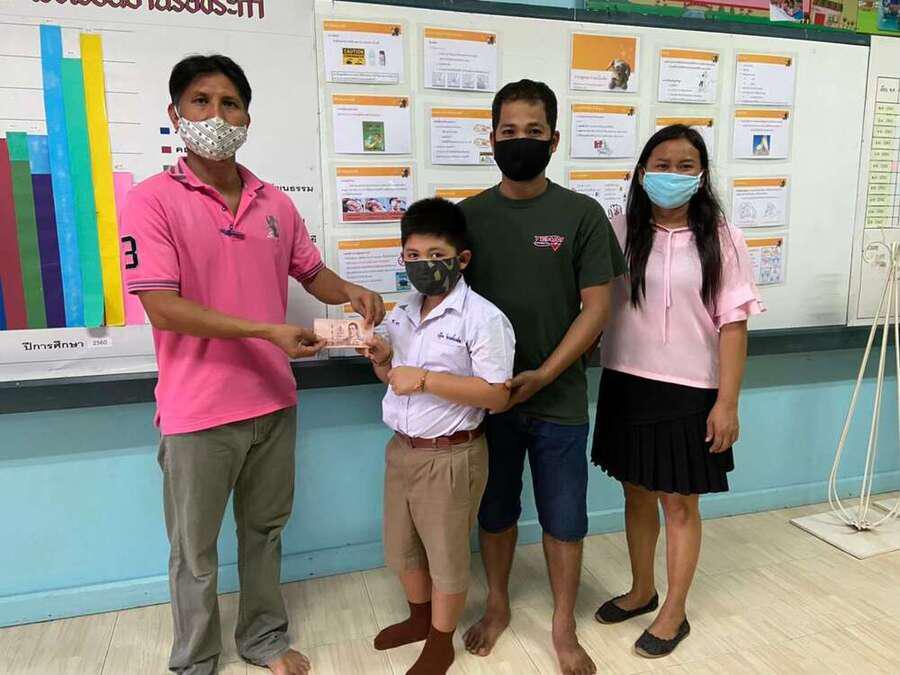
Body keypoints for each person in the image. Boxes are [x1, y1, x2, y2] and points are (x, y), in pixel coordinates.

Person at [121, 54, 384, 675]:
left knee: (265, 532)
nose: (216, 115)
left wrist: (351, 291)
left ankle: (263, 639)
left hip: (273, 402)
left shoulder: (275, 204)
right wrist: (266, 330)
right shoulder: (151, 201)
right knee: (194, 551)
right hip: (197, 412)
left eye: (230, 103)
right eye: (201, 101)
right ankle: (195, 659)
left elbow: (311, 273)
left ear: (247, 117)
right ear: (175, 114)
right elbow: (162, 307)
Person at [460, 79, 625, 675]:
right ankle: (497, 606)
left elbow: (598, 308)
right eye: (509, 131)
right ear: (491, 138)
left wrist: (544, 374)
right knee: (495, 511)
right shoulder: (467, 218)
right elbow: (443, 306)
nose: (520, 141)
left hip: (559, 399)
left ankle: (562, 626)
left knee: (564, 517)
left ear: (554, 140)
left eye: (534, 131)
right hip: (488, 402)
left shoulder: (581, 215)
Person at [591, 125, 763, 658]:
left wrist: (727, 403)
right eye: (661, 164)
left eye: (685, 165)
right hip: (626, 380)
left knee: (680, 504)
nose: (672, 174)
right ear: (642, 172)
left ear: (702, 174)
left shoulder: (723, 238)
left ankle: (675, 610)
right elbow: (592, 303)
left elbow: (733, 325)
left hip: (691, 389)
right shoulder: (618, 230)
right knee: (635, 491)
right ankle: (642, 590)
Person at [360, 198, 515, 675]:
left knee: (446, 557)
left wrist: (425, 379)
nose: (422, 264)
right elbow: (393, 376)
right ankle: (418, 619)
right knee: (401, 546)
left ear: (460, 259)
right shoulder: (402, 311)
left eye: (435, 255)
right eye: (412, 255)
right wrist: (382, 359)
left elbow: (497, 396)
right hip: (401, 450)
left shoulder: (483, 318)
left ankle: (441, 641)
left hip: (451, 455)